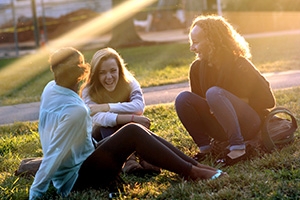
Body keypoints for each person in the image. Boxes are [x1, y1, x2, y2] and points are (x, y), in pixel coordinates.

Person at [29, 47, 226, 199]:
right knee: (132, 131)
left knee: (135, 129)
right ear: (83, 71)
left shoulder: (51, 89)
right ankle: (192, 171)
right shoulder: (77, 111)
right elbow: (53, 154)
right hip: (76, 180)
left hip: (83, 160)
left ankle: (192, 166)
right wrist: (35, 193)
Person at [175, 15, 276, 165]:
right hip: (220, 127)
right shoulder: (197, 68)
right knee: (183, 98)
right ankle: (206, 149)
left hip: (248, 125)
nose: (192, 48)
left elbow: (269, 100)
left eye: (196, 42)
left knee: (214, 93)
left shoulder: (240, 65)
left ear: (212, 41)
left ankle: (237, 149)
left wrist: (234, 102)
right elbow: (198, 104)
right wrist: (214, 105)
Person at [82, 47, 159, 174]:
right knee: (104, 124)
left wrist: (106, 107)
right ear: (95, 74)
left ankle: (147, 157)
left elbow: (139, 106)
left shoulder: (129, 82)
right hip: (101, 136)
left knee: (133, 126)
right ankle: (128, 162)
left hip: (130, 127)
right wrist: (132, 118)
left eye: (113, 71)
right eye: (102, 72)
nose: (109, 77)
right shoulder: (88, 91)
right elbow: (97, 118)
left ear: (119, 69)